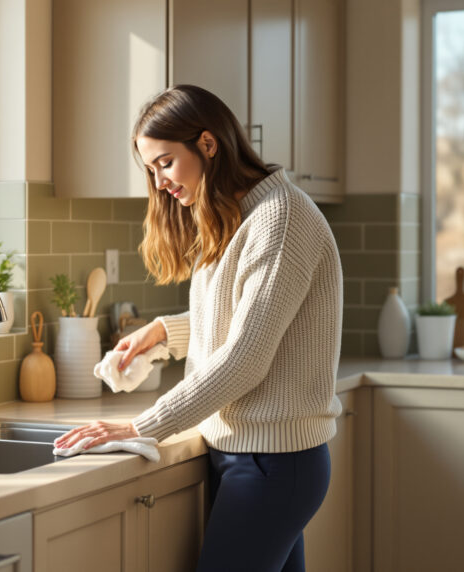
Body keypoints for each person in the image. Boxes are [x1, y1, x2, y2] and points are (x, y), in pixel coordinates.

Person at [53, 84, 343, 571]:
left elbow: (246, 358)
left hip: (273, 461)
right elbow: (249, 317)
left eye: (165, 162)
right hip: (253, 457)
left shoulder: (281, 217)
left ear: (208, 144)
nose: (160, 181)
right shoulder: (241, 214)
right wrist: (165, 332)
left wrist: (139, 426)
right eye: (151, 170)